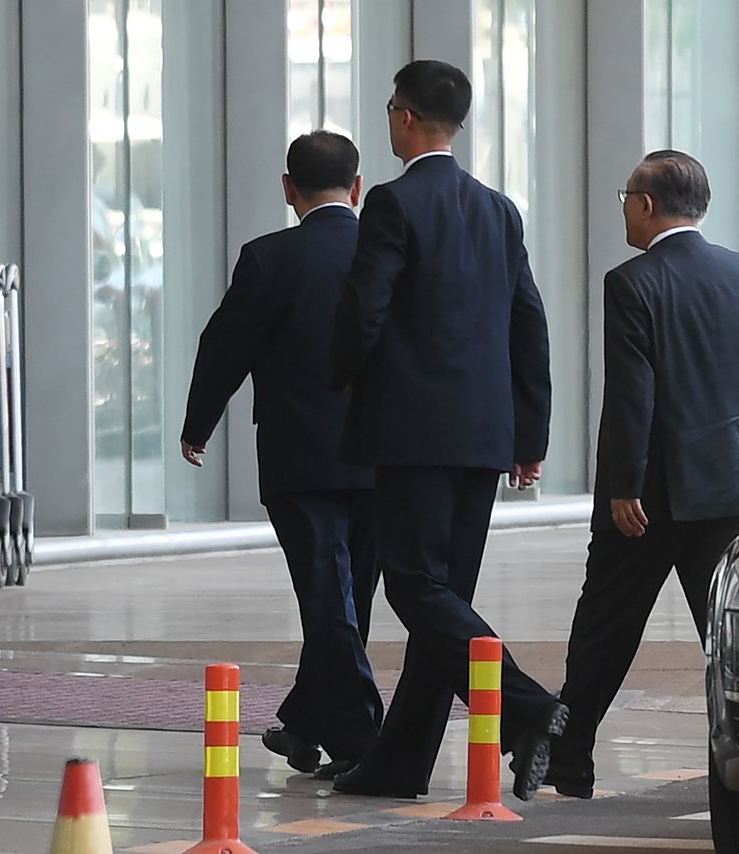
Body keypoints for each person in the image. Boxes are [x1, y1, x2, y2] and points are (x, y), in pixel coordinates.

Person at [328, 59, 565, 802]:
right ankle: (398, 765)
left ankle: (530, 710)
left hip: (414, 434)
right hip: (485, 435)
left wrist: (338, 375)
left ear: (403, 117)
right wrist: (531, 433)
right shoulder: (500, 210)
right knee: (445, 600)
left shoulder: (393, 205)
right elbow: (530, 321)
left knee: (416, 588)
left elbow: (365, 309)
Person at [546, 150, 739, 799]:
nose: (624, 208)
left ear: (646, 205)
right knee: (731, 634)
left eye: (626, 197)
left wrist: (624, 485)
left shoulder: (633, 281)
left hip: (648, 496)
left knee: (606, 626)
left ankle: (571, 758)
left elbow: (632, 393)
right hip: (731, 484)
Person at [180, 130, 383, 780]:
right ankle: (307, 722)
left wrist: (198, 424)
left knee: (328, 598)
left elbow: (225, 345)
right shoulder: (390, 254)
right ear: (357, 188)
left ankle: (362, 740)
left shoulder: (270, 258)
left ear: (288, 188)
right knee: (348, 596)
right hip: (387, 457)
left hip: (303, 460)